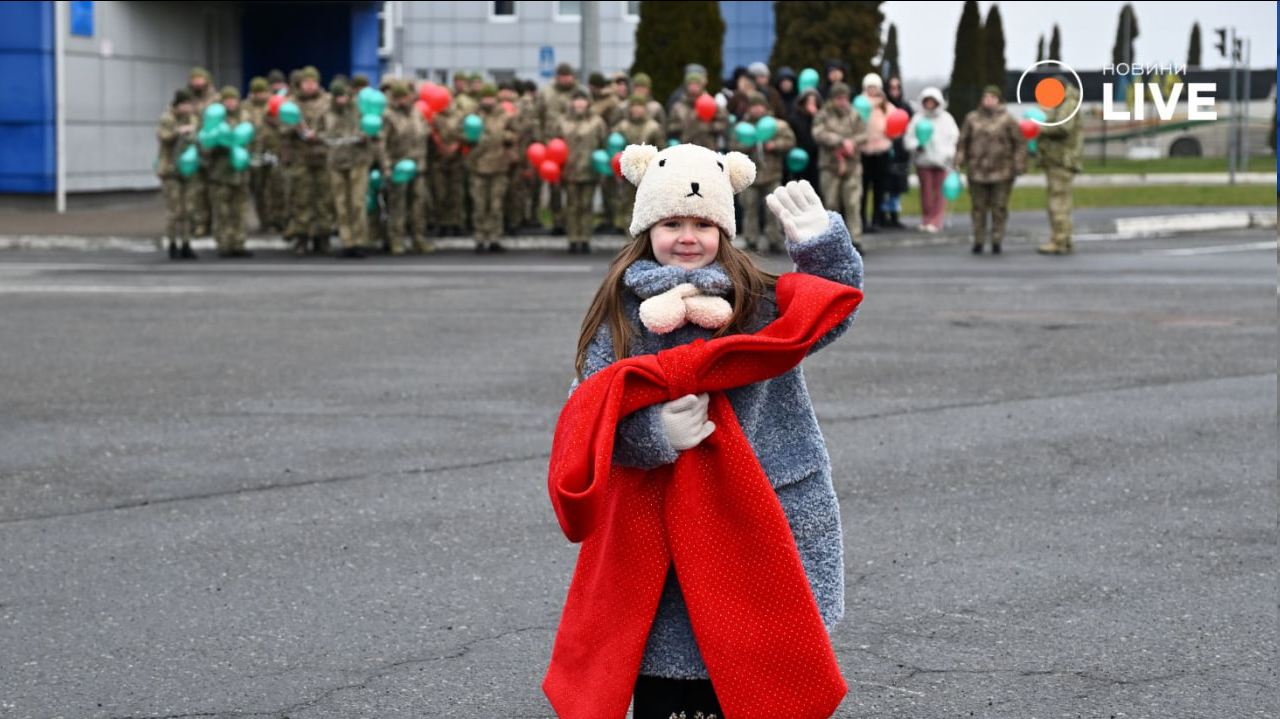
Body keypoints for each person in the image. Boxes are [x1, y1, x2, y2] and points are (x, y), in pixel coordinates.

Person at [543, 142, 863, 719]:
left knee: (756, 674)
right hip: (658, 522)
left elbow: (826, 315)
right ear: (647, 227)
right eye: (671, 222)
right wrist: (649, 432)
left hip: (765, 507)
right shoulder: (621, 309)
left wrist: (824, 250)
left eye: (702, 223)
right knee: (669, 682)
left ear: (724, 228)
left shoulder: (755, 300)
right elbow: (586, 413)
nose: (687, 236)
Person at [955, 85, 1027, 254]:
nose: (989, 100)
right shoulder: (972, 118)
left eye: (992, 97)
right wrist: (959, 161)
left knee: (999, 207)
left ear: (998, 100)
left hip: (1002, 170)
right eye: (986, 97)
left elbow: (1019, 143)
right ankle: (978, 240)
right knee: (978, 208)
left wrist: (1019, 164)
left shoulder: (1008, 119)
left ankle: (997, 239)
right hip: (977, 170)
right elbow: (962, 142)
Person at [728, 92, 796, 254]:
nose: (757, 109)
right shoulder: (741, 128)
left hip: (772, 174)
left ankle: (775, 239)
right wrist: (747, 146)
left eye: (760, 106)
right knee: (749, 208)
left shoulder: (777, 125)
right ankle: (751, 240)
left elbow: (790, 141)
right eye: (754, 106)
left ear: (765, 107)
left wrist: (774, 145)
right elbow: (733, 145)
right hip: (749, 177)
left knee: (774, 209)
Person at [319, 78, 377, 259]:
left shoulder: (360, 112)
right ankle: (347, 241)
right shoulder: (327, 113)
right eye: (337, 96)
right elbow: (319, 132)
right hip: (336, 162)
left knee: (358, 203)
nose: (340, 100)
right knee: (341, 204)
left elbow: (375, 130)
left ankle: (360, 241)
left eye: (343, 95)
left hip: (357, 161)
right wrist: (322, 136)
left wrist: (366, 136)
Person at [281, 66, 333, 254]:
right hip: (300, 157)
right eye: (306, 82)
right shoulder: (291, 103)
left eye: (313, 82)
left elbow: (334, 128)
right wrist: (294, 129)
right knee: (301, 199)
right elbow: (283, 130)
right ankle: (302, 237)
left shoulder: (328, 102)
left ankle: (323, 237)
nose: (309, 86)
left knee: (324, 199)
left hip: (323, 156)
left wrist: (317, 135)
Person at [812, 82, 867, 251]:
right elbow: (818, 133)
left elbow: (864, 135)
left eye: (845, 98)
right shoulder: (824, 115)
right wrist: (840, 141)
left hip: (852, 165)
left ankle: (855, 239)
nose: (842, 101)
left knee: (852, 203)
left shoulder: (854, 114)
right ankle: (832, 241)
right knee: (831, 203)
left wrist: (852, 142)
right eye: (839, 98)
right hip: (830, 165)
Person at [381, 82, 432, 254]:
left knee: (419, 204)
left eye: (405, 97)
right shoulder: (388, 116)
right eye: (399, 98)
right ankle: (396, 239)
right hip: (398, 166)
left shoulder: (417, 113)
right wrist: (386, 166)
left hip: (418, 166)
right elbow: (382, 143)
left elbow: (425, 135)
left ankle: (418, 238)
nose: (403, 101)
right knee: (397, 205)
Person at [466, 84, 517, 254]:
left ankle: (495, 238)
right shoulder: (473, 116)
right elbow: (461, 135)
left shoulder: (505, 116)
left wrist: (505, 136)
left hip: (499, 166)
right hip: (478, 167)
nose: (488, 101)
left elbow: (515, 134)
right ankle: (480, 238)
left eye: (490, 98)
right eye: (485, 98)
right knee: (480, 205)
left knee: (496, 205)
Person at [556, 88, 608, 254]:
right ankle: (573, 239)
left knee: (586, 206)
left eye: (582, 100)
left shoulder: (597, 122)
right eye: (576, 100)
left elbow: (603, 145)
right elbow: (555, 145)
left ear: (588, 103)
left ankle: (585, 239)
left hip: (589, 170)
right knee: (572, 206)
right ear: (572, 102)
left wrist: (602, 168)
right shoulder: (562, 122)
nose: (579, 103)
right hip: (569, 171)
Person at [1036, 81, 1083, 255]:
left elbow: (1063, 127)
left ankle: (1060, 240)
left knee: (1058, 201)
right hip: (1057, 158)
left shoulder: (1069, 103)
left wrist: (1040, 127)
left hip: (1061, 159)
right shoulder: (1065, 103)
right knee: (1060, 201)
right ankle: (1063, 238)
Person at [903, 86, 960, 233]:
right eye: (926, 101)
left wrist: (949, 154)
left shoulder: (946, 119)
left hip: (942, 162)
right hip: (924, 161)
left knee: (940, 194)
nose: (929, 104)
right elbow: (909, 139)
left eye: (932, 101)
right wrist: (917, 146)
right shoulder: (918, 119)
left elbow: (954, 138)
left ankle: (937, 220)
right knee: (926, 193)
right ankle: (927, 218)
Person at [206, 86, 252, 257]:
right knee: (222, 211)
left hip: (240, 172)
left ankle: (239, 243)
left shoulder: (244, 116)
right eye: (227, 100)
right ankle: (224, 244)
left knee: (239, 210)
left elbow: (249, 138)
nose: (231, 103)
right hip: (221, 173)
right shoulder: (215, 119)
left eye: (233, 100)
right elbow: (205, 142)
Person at [611, 94, 664, 237]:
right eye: (634, 107)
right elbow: (614, 146)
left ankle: (645, 238)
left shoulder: (653, 127)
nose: (637, 110)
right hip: (627, 173)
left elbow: (661, 149)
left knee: (647, 205)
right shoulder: (622, 126)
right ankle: (630, 239)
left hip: (648, 174)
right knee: (628, 205)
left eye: (639, 107)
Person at [155, 89, 199, 260]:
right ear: (177, 105)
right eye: (184, 104)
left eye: (189, 104)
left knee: (188, 209)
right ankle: (173, 244)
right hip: (170, 170)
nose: (187, 108)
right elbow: (163, 136)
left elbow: (196, 137)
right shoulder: (168, 118)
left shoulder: (192, 118)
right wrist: (179, 131)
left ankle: (186, 243)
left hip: (187, 169)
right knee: (175, 210)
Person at [857, 73, 893, 234]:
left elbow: (895, 124)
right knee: (863, 188)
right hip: (864, 152)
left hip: (881, 151)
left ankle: (877, 219)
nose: (872, 90)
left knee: (880, 188)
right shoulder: (859, 103)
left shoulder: (886, 106)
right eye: (869, 87)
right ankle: (862, 220)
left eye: (875, 87)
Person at [666, 72, 729, 150]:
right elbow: (669, 127)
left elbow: (724, 122)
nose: (693, 87)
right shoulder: (678, 107)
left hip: (708, 149)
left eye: (696, 84)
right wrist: (682, 126)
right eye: (691, 84)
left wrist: (709, 127)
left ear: (701, 86)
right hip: (685, 149)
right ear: (686, 86)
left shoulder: (711, 103)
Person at [881, 76, 913, 229]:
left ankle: (894, 216)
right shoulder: (882, 107)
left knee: (897, 186)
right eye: (891, 87)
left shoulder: (905, 106)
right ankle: (882, 216)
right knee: (884, 185)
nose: (895, 91)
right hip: (885, 150)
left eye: (897, 87)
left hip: (901, 151)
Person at [788, 88, 824, 192]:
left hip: (816, 157)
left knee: (816, 188)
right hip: (799, 157)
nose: (811, 104)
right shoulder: (795, 118)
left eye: (814, 102)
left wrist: (815, 116)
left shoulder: (821, 117)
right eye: (809, 101)